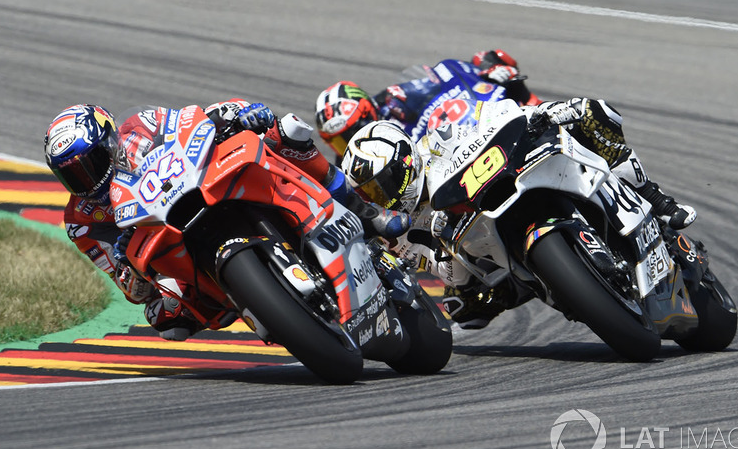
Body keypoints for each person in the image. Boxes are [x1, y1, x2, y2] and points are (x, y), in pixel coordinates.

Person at [44, 101, 410, 341]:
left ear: (109, 142)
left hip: (204, 185)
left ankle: (366, 212)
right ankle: (256, 300)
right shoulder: (82, 221)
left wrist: (237, 113)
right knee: (165, 318)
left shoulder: (141, 126)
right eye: (71, 177)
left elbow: (193, 121)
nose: (85, 182)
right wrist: (131, 268)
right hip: (171, 243)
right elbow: (131, 290)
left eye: (89, 165)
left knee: (285, 133)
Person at [339, 97, 697, 329]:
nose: (381, 197)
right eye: (371, 194)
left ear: (404, 161)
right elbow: (445, 273)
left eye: (381, 184)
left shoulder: (436, 142)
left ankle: (655, 198)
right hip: (486, 256)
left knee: (593, 113)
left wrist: (536, 115)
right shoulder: (398, 231)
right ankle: (567, 287)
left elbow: (489, 115)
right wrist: (439, 250)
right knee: (466, 310)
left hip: (514, 180)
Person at [314, 49, 542, 158]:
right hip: (442, 170)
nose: (350, 143)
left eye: (350, 133)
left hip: (466, 129)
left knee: (493, 58)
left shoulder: (393, 100)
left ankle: (543, 111)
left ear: (367, 112)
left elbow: (439, 80)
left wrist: (485, 72)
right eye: (337, 142)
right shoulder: (351, 162)